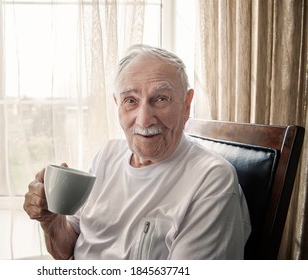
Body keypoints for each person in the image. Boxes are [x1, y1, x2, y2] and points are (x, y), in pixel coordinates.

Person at [23, 44, 251, 259]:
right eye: (131, 101)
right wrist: (51, 221)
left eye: (161, 99)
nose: (143, 119)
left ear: (186, 104)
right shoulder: (107, 156)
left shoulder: (212, 179)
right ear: (117, 105)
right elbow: (68, 249)